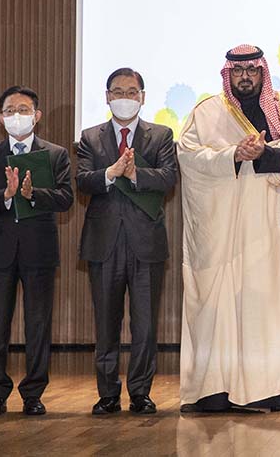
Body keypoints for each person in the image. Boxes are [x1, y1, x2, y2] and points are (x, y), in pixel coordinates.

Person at [176, 45, 280, 412]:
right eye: (238, 71)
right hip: (223, 231)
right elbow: (189, 157)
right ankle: (214, 391)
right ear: (228, 73)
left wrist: (264, 155)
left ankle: (274, 389)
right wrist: (233, 156)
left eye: (252, 71)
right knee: (217, 308)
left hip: (272, 229)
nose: (245, 78)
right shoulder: (207, 112)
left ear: (262, 73)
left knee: (272, 307)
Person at [76, 67, 178, 415]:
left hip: (146, 243)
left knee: (145, 325)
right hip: (103, 243)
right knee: (106, 325)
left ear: (143, 97)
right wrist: (110, 173)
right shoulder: (90, 137)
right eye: (118, 92)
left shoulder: (161, 135)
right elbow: (82, 180)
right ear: (107, 97)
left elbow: (167, 178)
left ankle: (140, 393)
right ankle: (107, 394)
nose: (125, 98)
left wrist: (136, 174)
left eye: (131, 92)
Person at [0, 85, 73, 417]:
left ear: (37, 116)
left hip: (39, 250)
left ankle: (33, 394)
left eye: (24, 110)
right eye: (10, 111)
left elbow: (66, 198)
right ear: (1, 118)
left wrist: (32, 194)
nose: (17, 116)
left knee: (38, 325)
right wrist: (8, 195)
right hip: (0, 252)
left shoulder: (55, 155)